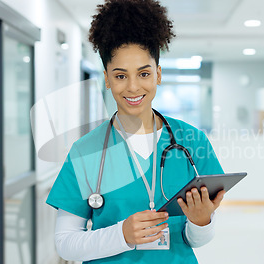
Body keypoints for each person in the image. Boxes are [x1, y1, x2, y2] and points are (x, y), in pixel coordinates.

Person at [46, 0, 226, 263]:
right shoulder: (85, 152)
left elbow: (196, 239)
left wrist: (201, 222)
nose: (132, 87)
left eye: (143, 74)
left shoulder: (192, 141)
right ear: (106, 78)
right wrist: (122, 235)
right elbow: (65, 243)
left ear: (158, 74)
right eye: (120, 76)